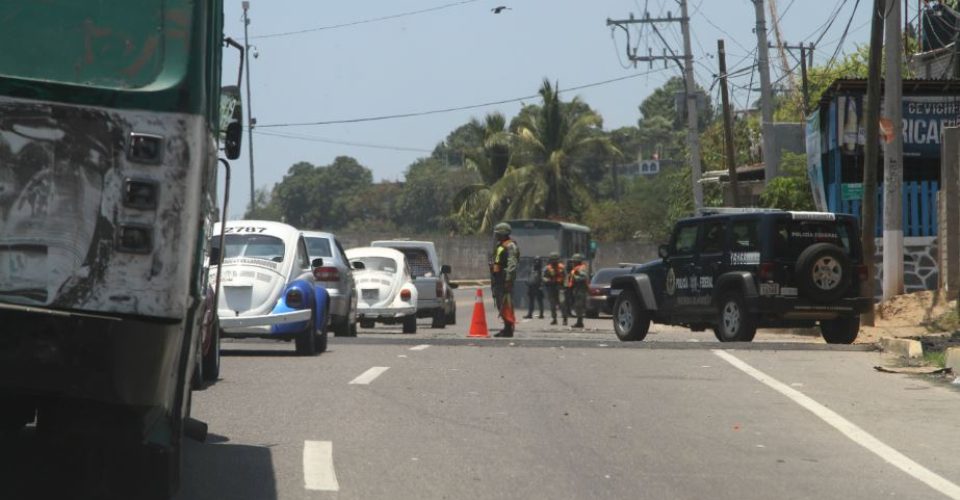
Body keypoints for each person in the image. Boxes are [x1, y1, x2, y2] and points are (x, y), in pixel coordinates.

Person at [490, 222, 519, 337]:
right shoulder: (500, 245)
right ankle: (507, 327)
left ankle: (508, 328)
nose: (496, 236)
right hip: (498, 279)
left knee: (505, 304)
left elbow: (512, 265)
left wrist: (508, 280)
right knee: (500, 303)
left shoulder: (510, 246)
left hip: (504, 280)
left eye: (497, 234)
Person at [542, 252, 567, 325]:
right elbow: (543, 277)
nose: (554, 261)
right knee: (552, 304)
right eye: (553, 260)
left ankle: (565, 318)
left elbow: (566, 277)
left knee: (562, 304)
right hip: (551, 288)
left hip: (560, 287)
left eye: (555, 260)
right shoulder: (547, 268)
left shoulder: (562, 267)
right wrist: (548, 280)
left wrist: (565, 286)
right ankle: (554, 319)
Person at [567, 253, 590, 328]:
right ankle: (579, 321)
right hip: (576, 289)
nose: (573, 263)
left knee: (579, 306)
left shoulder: (581, 268)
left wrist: (575, 277)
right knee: (576, 306)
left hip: (581, 289)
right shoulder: (576, 268)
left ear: (577, 261)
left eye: (574, 261)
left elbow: (583, 277)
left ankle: (579, 322)